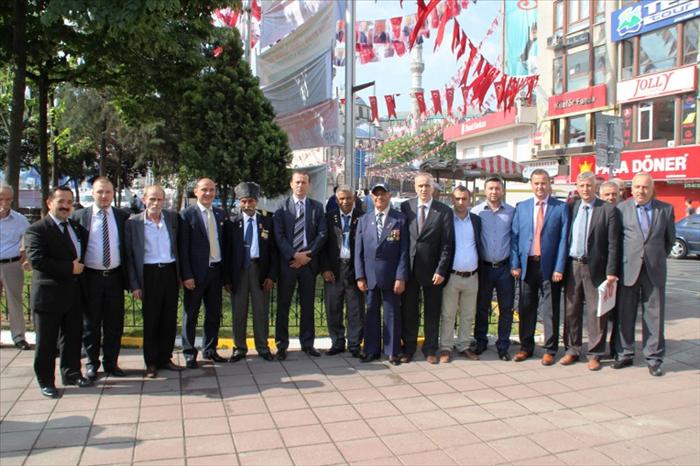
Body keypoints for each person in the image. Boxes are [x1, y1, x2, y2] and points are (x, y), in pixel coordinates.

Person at [24, 186, 92, 398]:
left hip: (73, 294)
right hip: (49, 296)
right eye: (61, 201)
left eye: (69, 202)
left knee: (72, 337)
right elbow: (37, 260)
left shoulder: (76, 227)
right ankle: (46, 381)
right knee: (46, 342)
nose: (65, 206)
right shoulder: (37, 229)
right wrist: (70, 268)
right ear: (49, 203)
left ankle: (71, 373)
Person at [614, 173, 675, 377]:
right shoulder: (621, 209)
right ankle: (625, 353)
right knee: (625, 314)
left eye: (645, 187)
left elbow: (669, 241)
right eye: (637, 187)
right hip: (628, 269)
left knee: (654, 315)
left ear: (652, 189)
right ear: (631, 189)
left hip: (654, 270)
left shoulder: (665, 210)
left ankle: (654, 358)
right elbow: (616, 241)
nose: (641, 191)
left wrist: (655, 258)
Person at [71, 177, 130, 379]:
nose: (104, 196)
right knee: (91, 324)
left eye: (108, 192)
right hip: (90, 278)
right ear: (93, 193)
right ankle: (91, 363)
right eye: (100, 192)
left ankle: (111, 363)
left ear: (113, 194)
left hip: (115, 277)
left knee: (115, 323)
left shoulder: (123, 216)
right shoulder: (80, 217)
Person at [561, 172, 620, 371]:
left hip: (596, 268)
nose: (585, 189)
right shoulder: (572, 207)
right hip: (573, 265)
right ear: (577, 187)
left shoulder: (607, 210)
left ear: (596, 187)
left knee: (596, 311)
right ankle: (572, 349)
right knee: (571, 309)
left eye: (589, 185)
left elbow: (613, 244)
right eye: (582, 185)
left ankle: (595, 353)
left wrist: (611, 271)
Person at [511, 169, 570, 365]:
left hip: (549, 267)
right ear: (531, 185)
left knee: (550, 310)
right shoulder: (522, 207)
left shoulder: (560, 208)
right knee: (526, 307)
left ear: (549, 183)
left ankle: (550, 349)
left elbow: (563, 240)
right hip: (527, 265)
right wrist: (515, 264)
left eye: (543, 183)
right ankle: (526, 347)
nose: (540, 187)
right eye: (536, 183)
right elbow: (515, 237)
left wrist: (559, 267)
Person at [125, 185, 183, 378]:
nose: (156, 203)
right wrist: (135, 284)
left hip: (169, 272)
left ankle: (165, 358)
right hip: (148, 274)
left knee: (169, 318)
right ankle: (151, 362)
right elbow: (129, 256)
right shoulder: (133, 223)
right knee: (151, 320)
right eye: (152, 199)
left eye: (159, 199)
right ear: (144, 200)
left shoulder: (172, 218)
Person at [400, 172, 454, 364]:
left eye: (427, 186)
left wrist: (441, 270)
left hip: (433, 272)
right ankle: (409, 347)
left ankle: (430, 348)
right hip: (410, 269)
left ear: (433, 188)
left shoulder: (444, 211)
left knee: (432, 311)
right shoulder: (406, 207)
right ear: (415, 188)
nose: (424, 189)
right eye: (420, 186)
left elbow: (447, 244)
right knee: (409, 311)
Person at [273, 171, 327, 360]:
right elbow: (278, 236)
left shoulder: (317, 207)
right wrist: (294, 255)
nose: (300, 185)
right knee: (283, 306)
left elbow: (322, 234)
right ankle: (281, 345)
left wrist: (307, 256)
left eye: (304, 182)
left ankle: (308, 344)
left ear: (309, 185)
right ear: (291, 184)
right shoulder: (281, 208)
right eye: (297, 182)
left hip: (308, 264)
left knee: (308, 305)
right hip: (288, 264)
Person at [354, 183, 408, 365]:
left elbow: (404, 251)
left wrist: (401, 277)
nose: (380, 197)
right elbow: (358, 252)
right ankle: (371, 350)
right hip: (370, 276)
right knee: (371, 313)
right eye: (376, 194)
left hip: (391, 277)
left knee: (392, 314)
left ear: (389, 196)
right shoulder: (364, 220)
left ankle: (392, 351)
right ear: (371, 197)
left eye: (383, 194)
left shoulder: (399, 219)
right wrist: (360, 276)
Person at [225, 182, 277, 362]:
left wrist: (271, 276)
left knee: (261, 310)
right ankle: (239, 348)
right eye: (244, 201)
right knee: (239, 311)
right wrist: (227, 279)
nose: (247, 205)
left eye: (251, 201)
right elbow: (227, 253)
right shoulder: (232, 223)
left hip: (259, 270)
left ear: (257, 201)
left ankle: (262, 347)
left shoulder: (267, 221)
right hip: (239, 272)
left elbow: (273, 251)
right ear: (239, 202)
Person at [179, 178, 227, 368]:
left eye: (212, 190)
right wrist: (187, 275)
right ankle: (189, 353)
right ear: (196, 192)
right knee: (191, 314)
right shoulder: (186, 215)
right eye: (204, 189)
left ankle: (210, 349)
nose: (208, 193)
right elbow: (183, 249)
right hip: (196, 274)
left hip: (216, 270)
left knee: (213, 313)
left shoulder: (220, 214)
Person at [471, 177, 516, 361]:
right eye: (490, 188)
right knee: (482, 307)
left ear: (502, 190)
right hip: (484, 267)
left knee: (506, 308)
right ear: (485, 190)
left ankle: (503, 345)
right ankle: (480, 341)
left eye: (497, 188)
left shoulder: (512, 212)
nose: (494, 192)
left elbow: (515, 238)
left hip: (505, 268)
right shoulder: (476, 212)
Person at [320, 185, 365, 357]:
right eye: (341, 199)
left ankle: (354, 344)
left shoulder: (363, 217)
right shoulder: (328, 217)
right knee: (333, 308)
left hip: (354, 268)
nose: (345, 202)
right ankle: (337, 342)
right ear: (336, 200)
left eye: (348, 198)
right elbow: (322, 246)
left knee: (355, 309)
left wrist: (361, 273)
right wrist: (325, 268)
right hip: (334, 269)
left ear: (354, 198)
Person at [439, 186, 482, 363]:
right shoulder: (446, 219)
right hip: (452, 275)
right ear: (452, 200)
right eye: (457, 199)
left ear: (470, 200)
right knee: (448, 314)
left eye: (464, 199)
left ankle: (464, 345)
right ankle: (446, 347)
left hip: (472, 276)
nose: (461, 202)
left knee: (468, 314)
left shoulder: (476, 220)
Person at [0, 184, 31, 350]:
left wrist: (25, 254)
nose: (4, 203)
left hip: (11, 264)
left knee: (14, 301)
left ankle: (18, 337)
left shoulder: (20, 219)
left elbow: (28, 239)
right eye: (1, 199)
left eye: (8, 199)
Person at [599, 180, 623, 359]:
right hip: (601, 269)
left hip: (623, 270)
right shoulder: (598, 211)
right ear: (601, 195)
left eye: (614, 194)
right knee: (602, 311)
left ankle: (616, 347)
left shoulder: (624, 212)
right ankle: (598, 347)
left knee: (619, 312)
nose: (611, 197)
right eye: (607, 194)